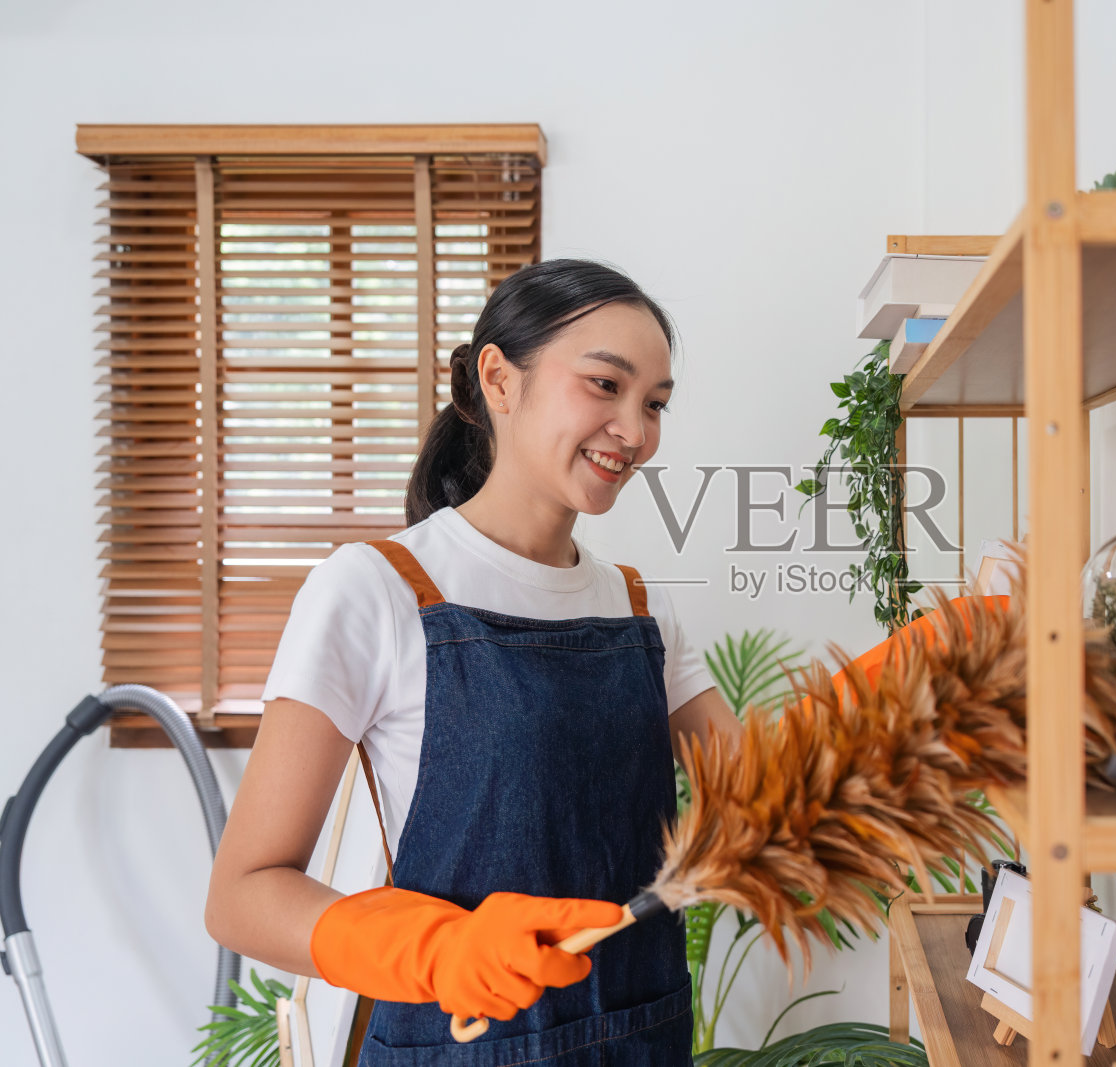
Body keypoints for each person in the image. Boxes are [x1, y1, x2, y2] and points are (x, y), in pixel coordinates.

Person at [204, 259, 741, 1065]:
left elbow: (768, 790)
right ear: (499, 378)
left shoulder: (639, 607)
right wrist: (437, 948)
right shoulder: (378, 589)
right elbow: (242, 895)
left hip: (643, 1041)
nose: (635, 431)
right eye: (605, 385)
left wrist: (931, 671)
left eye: (655, 404)